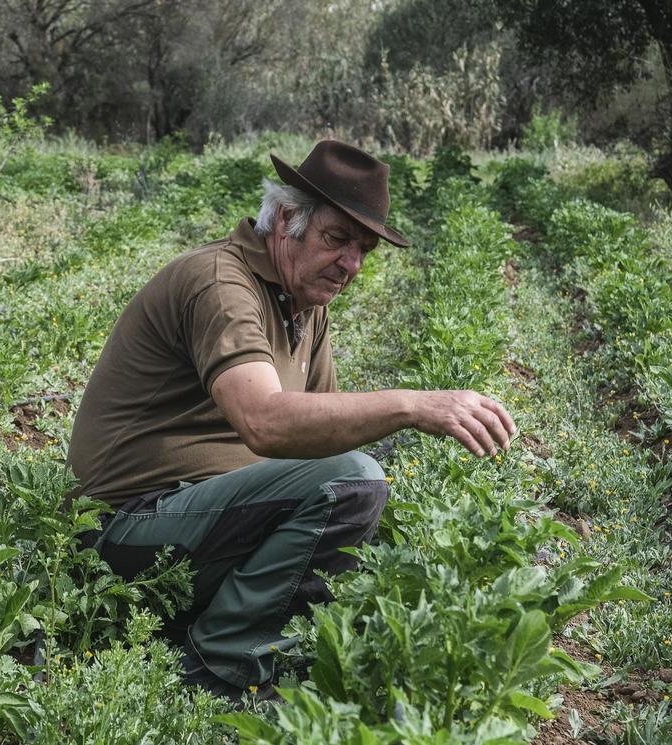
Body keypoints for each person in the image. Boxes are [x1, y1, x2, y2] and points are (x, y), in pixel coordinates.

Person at [67, 140, 516, 699]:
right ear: (284, 219)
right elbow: (266, 423)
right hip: (122, 529)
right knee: (354, 482)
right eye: (337, 240)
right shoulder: (219, 282)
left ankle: (225, 630)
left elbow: (318, 436)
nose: (351, 265)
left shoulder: (306, 305)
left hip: (198, 522)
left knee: (358, 489)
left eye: (364, 250)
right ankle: (215, 668)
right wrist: (411, 404)